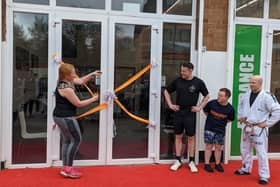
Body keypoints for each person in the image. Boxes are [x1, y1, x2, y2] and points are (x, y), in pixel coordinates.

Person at [53, 63, 102, 179]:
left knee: (67, 140)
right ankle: (68, 169)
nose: (75, 74)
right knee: (76, 140)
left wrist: (92, 74)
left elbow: (80, 81)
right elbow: (79, 104)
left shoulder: (66, 82)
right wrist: (94, 99)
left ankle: (66, 167)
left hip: (60, 116)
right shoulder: (66, 88)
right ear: (66, 75)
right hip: (66, 117)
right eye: (73, 73)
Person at [164, 62, 210, 172]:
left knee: (191, 137)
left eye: (184, 71)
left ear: (190, 71)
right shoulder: (178, 81)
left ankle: (191, 161)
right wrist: (170, 104)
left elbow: (207, 96)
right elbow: (166, 91)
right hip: (179, 112)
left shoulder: (198, 82)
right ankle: (178, 160)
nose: (182, 73)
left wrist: (199, 107)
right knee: (178, 136)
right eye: (181, 71)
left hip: (190, 113)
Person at [234, 75, 280, 185]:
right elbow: (241, 106)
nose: (251, 84)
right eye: (250, 82)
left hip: (259, 128)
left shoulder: (267, 96)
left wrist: (267, 123)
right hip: (247, 126)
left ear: (260, 83)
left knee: (261, 152)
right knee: (244, 149)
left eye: (253, 82)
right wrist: (241, 116)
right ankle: (246, 168)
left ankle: (264, 176)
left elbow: (278, 111)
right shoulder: (247, 94)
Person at [203, 88, 235, 173]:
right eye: (218, 95)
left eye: (221, 96)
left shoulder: (230, 109)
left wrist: (220, 122)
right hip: (209, 128)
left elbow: (230, 119)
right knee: (209, 146)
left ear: (227, 97)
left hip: (220, 130)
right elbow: (205, 111)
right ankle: (207, 164)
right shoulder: (212, 103)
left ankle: (217, 164)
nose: (218, 97)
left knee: (218, 147)